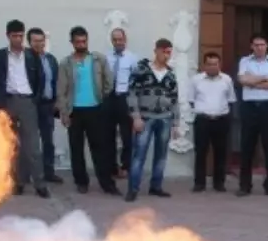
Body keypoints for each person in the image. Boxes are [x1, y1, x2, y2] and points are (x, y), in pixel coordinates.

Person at [58, 25, 118, 195]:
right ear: (72, 43)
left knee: (100, 148)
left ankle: (106, 183)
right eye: (78, 42)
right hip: (74, 111)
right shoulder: (65, 63)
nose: (81, 44)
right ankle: (81, 181)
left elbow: (109, 82)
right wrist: (64, 112)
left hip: (95, 110)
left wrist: (101, 97)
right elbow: (61, 90)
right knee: (76, 149)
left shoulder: (98, 59)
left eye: (84, 41)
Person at [0, 19, 49, 198]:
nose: (18, 39)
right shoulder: (0, 55)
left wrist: (35, 100)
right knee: (13, 145)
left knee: (32, 146)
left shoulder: (32, 55)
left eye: (20, 36)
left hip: (27, 102)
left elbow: (41, 79)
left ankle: (39, 184)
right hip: (8, 101)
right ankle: (18, 182)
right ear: (8, 36)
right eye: (14, 36)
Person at [125, 37, 179, 201]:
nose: (166, 55)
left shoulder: (170, 74)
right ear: (156, 50)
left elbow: (175, 98)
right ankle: (133, 188)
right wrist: (136, 117)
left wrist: (176, 123)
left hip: (164, 118)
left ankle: (156, 186)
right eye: (163, 51)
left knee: (161, 154)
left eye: (169, 52)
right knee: (139, 154)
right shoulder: (141, 70)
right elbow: (132, 94)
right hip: (145, 117)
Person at [236, 34, 268, 197]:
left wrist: (253, 80)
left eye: (262, 44)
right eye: (256, 45)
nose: (259, 48)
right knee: (247, 147)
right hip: (249, 107)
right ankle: (244, 185)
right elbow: (242, 80)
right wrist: (264, 78)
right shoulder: (244, 61)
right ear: (251, 46)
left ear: (267, 46)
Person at [190, 51, 235, 193]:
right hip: (203, 120)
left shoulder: (226, 80)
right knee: (201, 152)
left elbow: (231, 100)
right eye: (209, 64)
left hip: (221, 119)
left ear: (219, 65)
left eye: (215, 64)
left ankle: (219, 183)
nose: (212, 67)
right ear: (204, 65)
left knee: (220, 152)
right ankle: (199, 183)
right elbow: (191, 100)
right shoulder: (196, 80)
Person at [28, 27, 61, 182]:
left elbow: (56, 81)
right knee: (30, 142)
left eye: (41, 41)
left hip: (48, 106)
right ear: (29, 42)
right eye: (35, 41)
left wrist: (57, 101)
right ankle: (28, 174)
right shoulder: (26, 59)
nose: (39, 44)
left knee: (48, 141)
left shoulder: (51, 59)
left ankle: (49, 172)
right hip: (33, 106)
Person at [106, 27, 138, 179]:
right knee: (108, 135)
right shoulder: (106, 58)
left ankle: (126, 166)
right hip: (109, 99)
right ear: (111, 41)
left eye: (120, 39)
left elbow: (136, 80)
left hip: (124, 98)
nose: (118, 42)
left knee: (127, 135)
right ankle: (112, 167)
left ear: (125, 40)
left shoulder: (132, 58)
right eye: (115, 39)